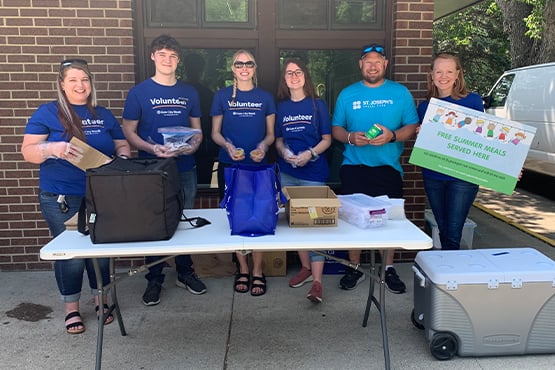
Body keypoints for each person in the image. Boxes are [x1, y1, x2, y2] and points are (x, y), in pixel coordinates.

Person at [21, 58, 131, 334]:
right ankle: (71, 308)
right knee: (71, 256)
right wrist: (54, 149)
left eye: (84, 79)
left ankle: (101, 300)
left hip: (101, 194)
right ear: (61, 84)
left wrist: (122, 159)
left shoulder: (102, 114)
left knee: (101, 249)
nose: (80, 85)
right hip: (62, 197)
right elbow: (28, 151)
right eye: (73, 80)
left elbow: (120, 143)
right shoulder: (48, 113)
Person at [122, 35, 207, 306]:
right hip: (152, 166)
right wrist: (151, 148)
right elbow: (128, 131)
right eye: (162, 54)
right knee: (153, 222)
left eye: (172, 55)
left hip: (183, 166)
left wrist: (192, 147)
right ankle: (154, 278)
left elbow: (197, 131)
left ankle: (185, 272)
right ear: (153, 57)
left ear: (178, 60)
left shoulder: (189, 92)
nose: (167, 60)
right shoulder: (139, 92)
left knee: (185, 219)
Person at [331, 44, 419, 293]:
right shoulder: (347, 94)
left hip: (388, 168)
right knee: (352, 219)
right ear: (360, 65)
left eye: (377, 60)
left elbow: (412, 126)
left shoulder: (400, 93)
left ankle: (388, 268)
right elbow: (336, 128)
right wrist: (349, 137)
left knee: (389, 221)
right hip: (354, 166)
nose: (372, 65)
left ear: (385, 64)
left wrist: (392, 136)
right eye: (367, 61)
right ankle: (355, 266)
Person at [210, 49, 276, 296]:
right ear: (233, 68)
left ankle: (258, 271)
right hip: (231, 165)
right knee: (235, 216)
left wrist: (262, 146)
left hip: (258, 165)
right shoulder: (222, 96)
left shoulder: (265, 97)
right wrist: (228, 146)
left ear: (255, 67)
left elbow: (270, 134)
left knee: (259, 215)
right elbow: (215, 132)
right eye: (239, 64)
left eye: (249, 63)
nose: (244, 67)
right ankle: (243, 269)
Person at [275, 58, 332, 303]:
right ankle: (305, 268)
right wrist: (285, 153)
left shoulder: (318, 105)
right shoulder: (281, 108)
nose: (294, 76)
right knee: (296, 223)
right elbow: (277, 140)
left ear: (305, 76)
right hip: (288, 172)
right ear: (285, 79)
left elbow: (327, 139)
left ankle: (317, 282)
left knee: (315, 224)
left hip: (313, 173)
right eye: (289, 73)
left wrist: (311, 153)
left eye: (298, 72)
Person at [417, 53, 484, 250]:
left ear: (457, 75)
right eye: (438, 71)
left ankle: (449, 278)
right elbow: (429, 144)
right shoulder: (425, 107)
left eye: (448, 71)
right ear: (431, 75)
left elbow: (486, 140)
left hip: (463, 176)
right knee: (443, 229)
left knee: (453, 233)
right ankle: (448, 273)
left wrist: (507, 167)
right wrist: (422, 133)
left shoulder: (473, 101)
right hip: (433, 174)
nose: (443, 76)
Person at [183, 52, 217, 187]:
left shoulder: (208, 94)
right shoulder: (207, 93)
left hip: (204, 147)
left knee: (201, 186)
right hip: (182, 146)